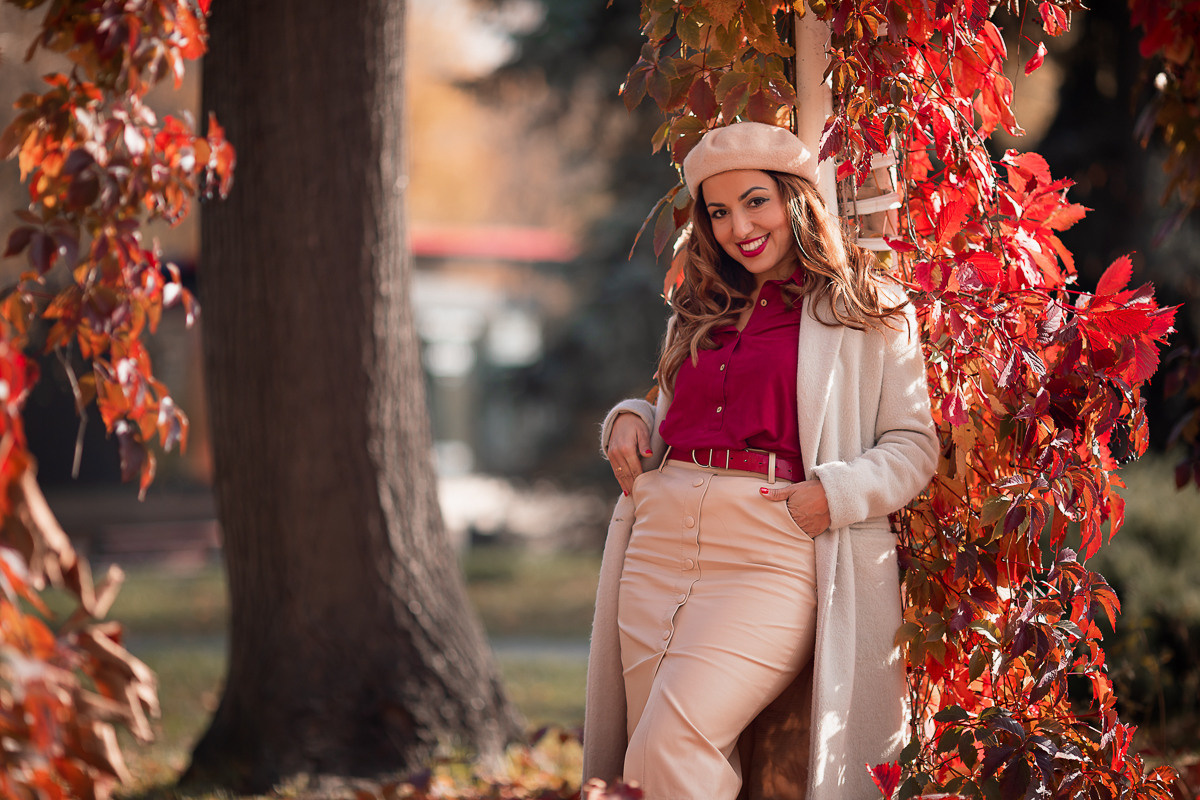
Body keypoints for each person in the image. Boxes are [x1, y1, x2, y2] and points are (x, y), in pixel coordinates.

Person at [582, 121, 939, 800]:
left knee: (672, 741)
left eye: (755, 202)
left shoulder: (866, 305)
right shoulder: (700, 306)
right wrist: (632, 417)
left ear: (794, 200)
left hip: (771, 547)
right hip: (659, 542)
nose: (738, 227)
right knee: (649, 763)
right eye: (719, 212)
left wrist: (835, 494)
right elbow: (681, 415)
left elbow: (913, 444)